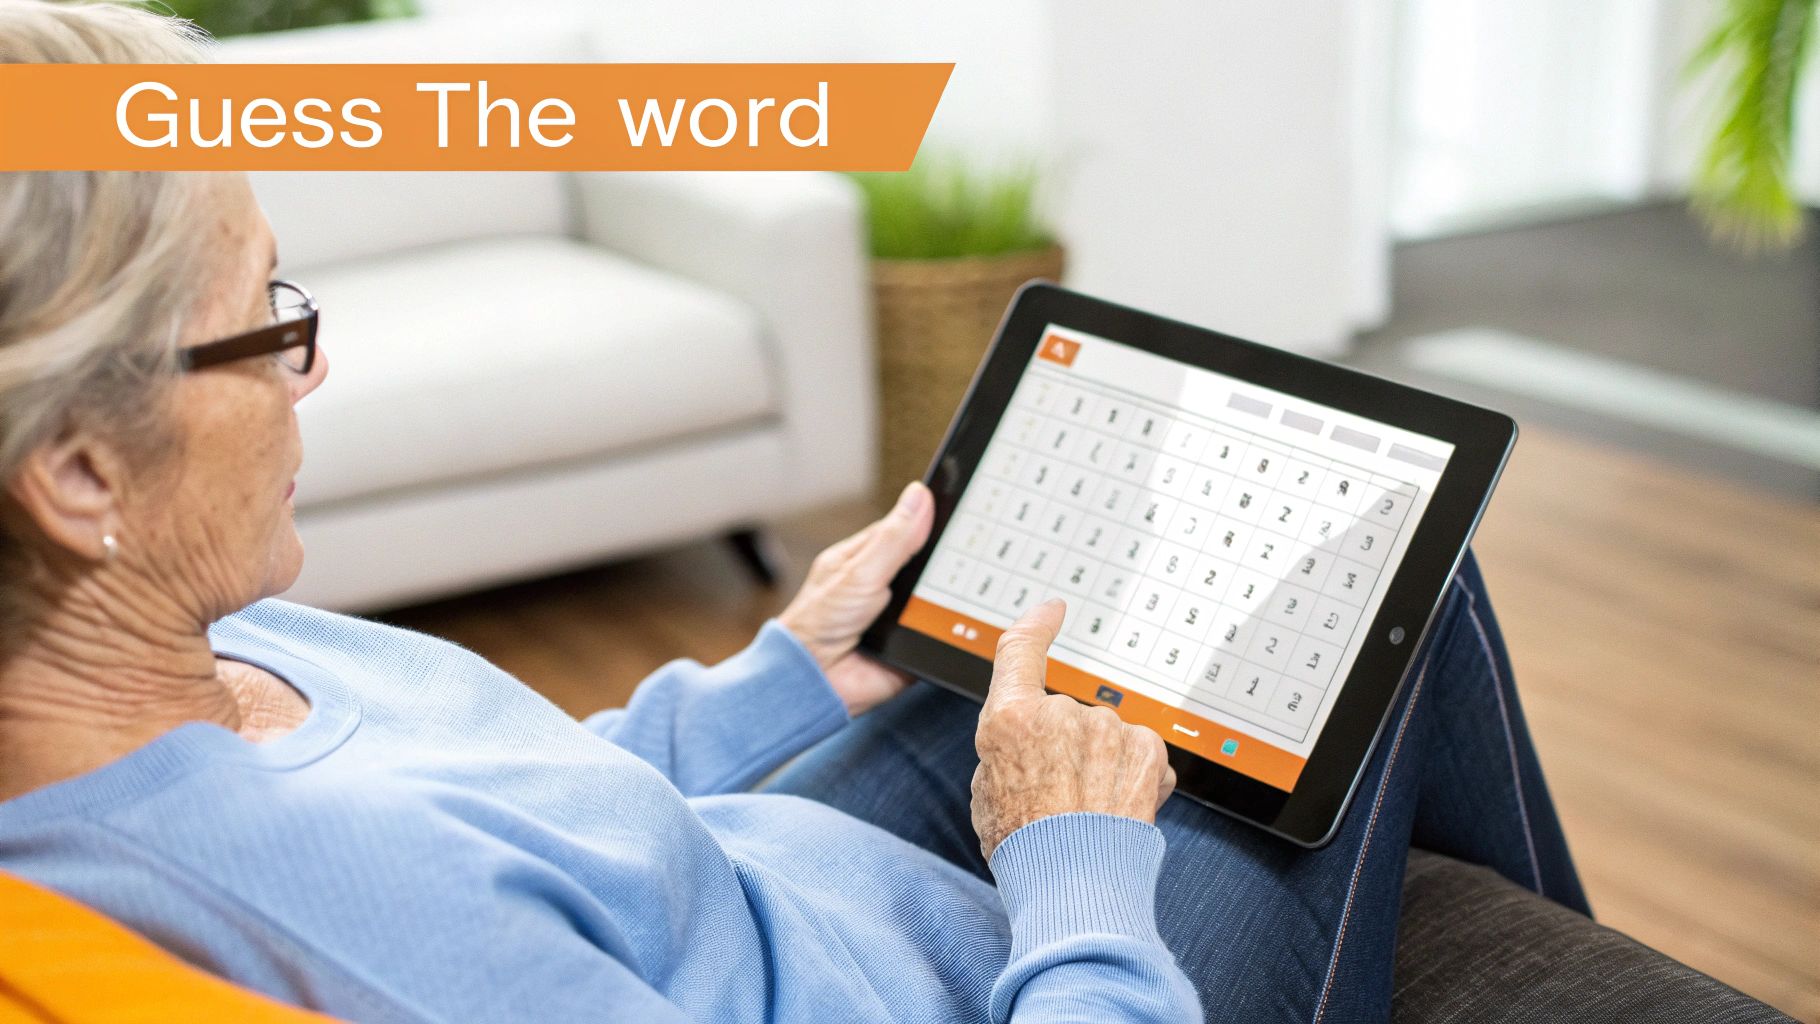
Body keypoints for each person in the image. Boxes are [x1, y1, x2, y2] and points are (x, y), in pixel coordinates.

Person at [0, 3, 1590, 1022]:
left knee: (1168, 591)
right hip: (1024, 982)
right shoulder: (347, 926)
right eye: (265, 326)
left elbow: (521, 814)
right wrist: (1076, 866)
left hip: (776, 892)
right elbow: (449, 884)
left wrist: (787, 671)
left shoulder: (196, 633)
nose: (311, 371)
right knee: (1390, 583)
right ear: (77, 475)